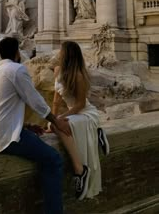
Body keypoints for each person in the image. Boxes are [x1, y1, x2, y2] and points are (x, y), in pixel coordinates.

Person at [0, 36, 71, 214]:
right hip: (4, 137)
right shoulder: (17, 69)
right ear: (17, 52)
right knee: (53, 159)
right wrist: (56, 121)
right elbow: (35, 100)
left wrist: (25, 126)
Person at [50, 41, 109, 201]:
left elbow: (81, 104)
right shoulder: (57, 71)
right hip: (75, 113)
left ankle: (80, 169)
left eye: (61, 51)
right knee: (54, 124)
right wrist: (52, 119)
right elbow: (56, 101)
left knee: (60, 125)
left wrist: (61, 118)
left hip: (86, 113)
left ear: (67, 54)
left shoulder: (78, 75)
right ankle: (97, 133)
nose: (58, 53)